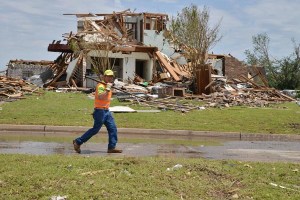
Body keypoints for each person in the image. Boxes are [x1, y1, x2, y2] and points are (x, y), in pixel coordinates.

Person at [73, 69, 122, 153]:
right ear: (104, 77)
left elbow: (107, 96)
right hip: (100, 111)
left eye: (111, 77)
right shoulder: (101, 86)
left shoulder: (107, 85)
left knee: (113, 128)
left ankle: (111, 147)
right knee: (95, 129)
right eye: (108, 76)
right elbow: (100, 97)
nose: (110, 78)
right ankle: (78, 142)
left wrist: (110, 89)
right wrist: (107, 89)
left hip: (107, 111)